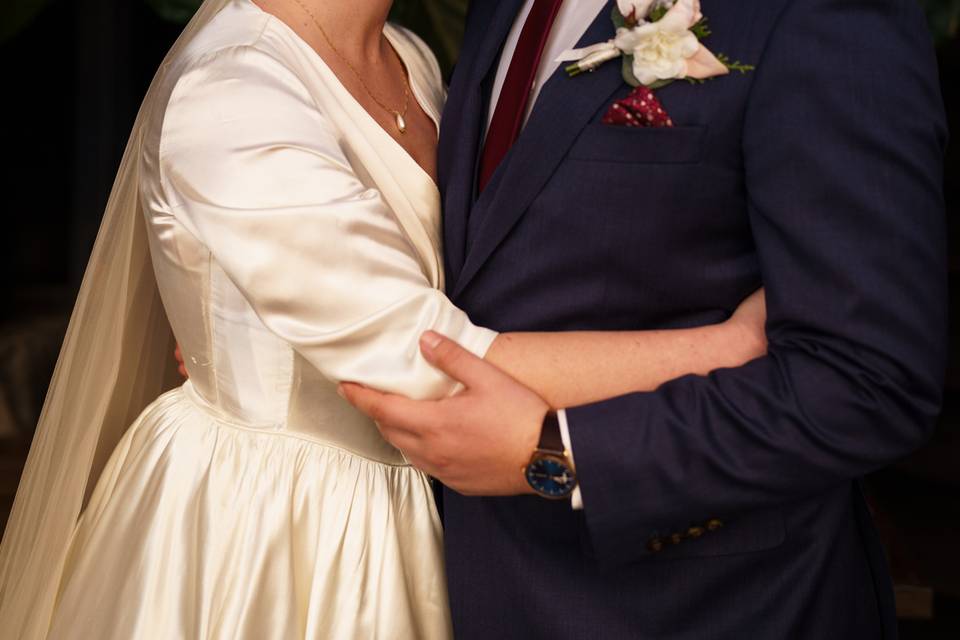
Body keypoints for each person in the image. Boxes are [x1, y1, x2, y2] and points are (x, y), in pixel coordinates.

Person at [0, 0, 767, 638]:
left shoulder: (410, 57)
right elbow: (426, 360)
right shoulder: (231, 88)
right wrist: (732, 346)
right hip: (280, 525)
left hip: (437, 507)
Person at [341, 0, 949, 637]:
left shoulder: (823, 15)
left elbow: (869, 379)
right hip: (473, 589)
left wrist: (560, 455)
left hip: (708, 607)